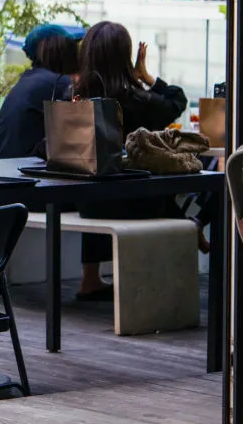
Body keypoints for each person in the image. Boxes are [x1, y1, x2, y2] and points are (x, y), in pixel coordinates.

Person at [74, 21, 190, 300]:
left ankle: (89, 278)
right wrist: (147, 77)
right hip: (136, 203)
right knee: (164, 190)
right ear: (123, 57)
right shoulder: (138, 99)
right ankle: (190, 234)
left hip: (89, 204)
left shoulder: (77, 100)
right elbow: (177, 101)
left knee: (97, 182)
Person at [0, 24, 82, 159]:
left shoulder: (27, 81)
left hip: (7, 169)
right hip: (30, 172)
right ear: (63, 51)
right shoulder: (59, 84)